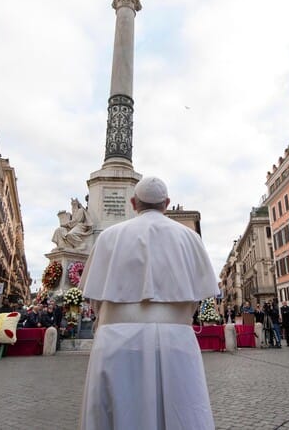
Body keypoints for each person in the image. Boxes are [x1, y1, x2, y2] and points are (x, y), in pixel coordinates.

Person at [79, 176, 219, 429]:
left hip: (116, 340)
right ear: (167, 203)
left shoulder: (109, 237)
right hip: (176, 340)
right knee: (182, 412)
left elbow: (94, 298)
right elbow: (199, 296)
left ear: (133, 202)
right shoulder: (190, 238)